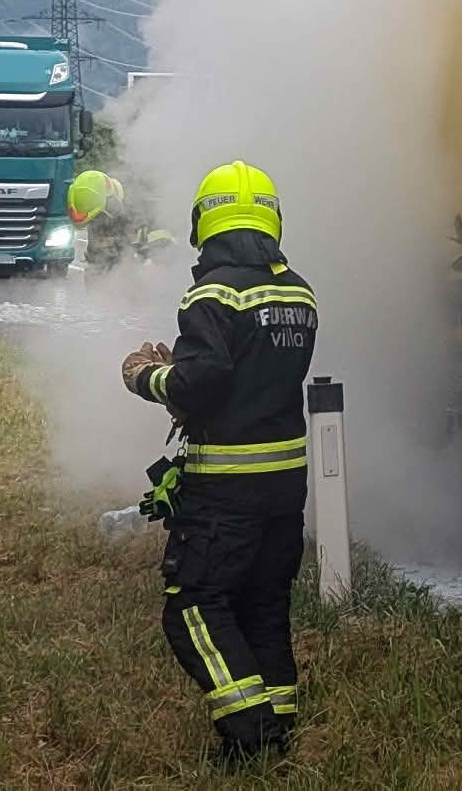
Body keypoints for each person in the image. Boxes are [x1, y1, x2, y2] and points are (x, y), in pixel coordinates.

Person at [120, 159, 317, 764]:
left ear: (204, 222)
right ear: (272, 220)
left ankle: (251, 731)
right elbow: (252, 379)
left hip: (225, 488)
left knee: (194, 606)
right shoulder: (297, 292)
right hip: (285, 487)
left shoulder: (214, 293)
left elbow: (204, 382)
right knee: (263, 605)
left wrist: (147, 376)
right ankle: (276, 734)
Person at [70, 168, 171, 273]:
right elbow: (95, 264)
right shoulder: (96, 213)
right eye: (92, 221)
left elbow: (164, 256)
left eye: (98, 218)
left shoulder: (145, 211)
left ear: (111, 204)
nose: (96, 223)